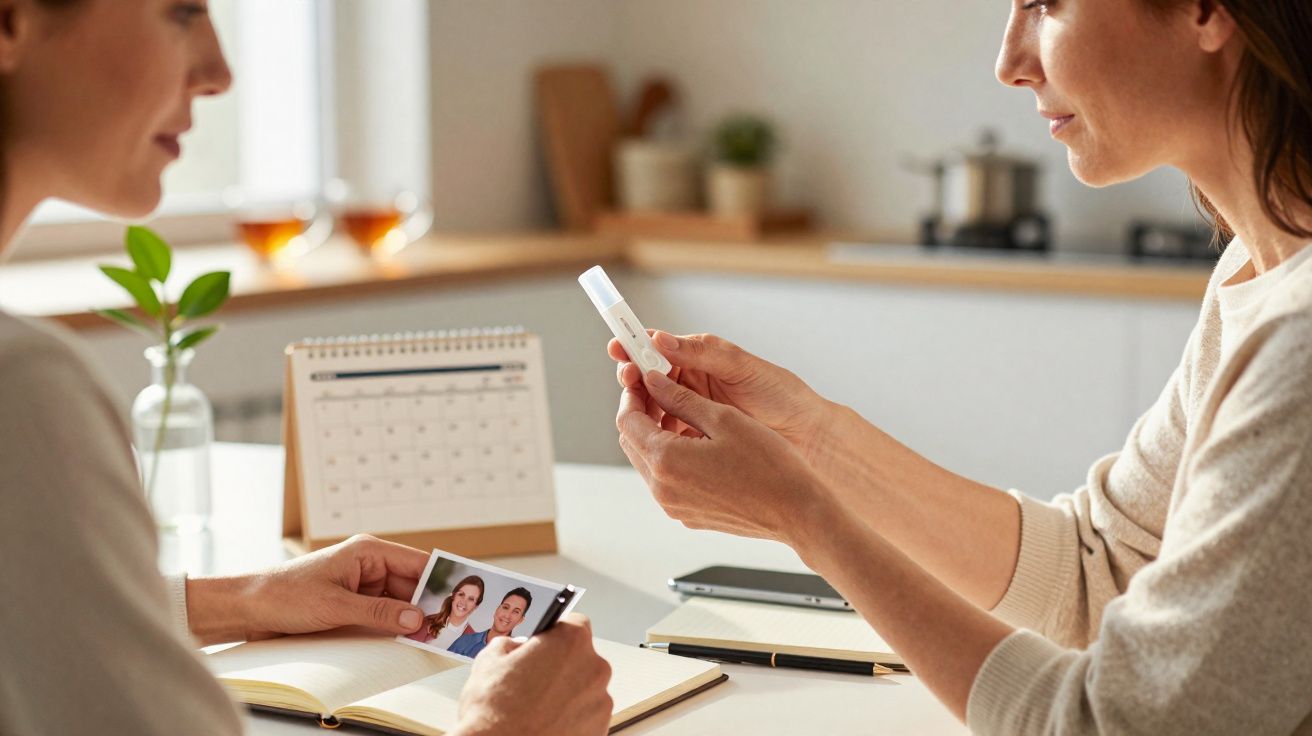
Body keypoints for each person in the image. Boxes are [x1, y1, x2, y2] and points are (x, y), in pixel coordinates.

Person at [611, 1, 1312, 734]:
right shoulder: (1254, 270)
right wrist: (812, 444)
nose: (1009, 63)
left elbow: (1111, 725)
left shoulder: (1299, 338)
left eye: (1045, 4)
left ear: (1206, 10)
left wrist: (804, 518)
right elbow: (1098, 567)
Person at [0, 2, 612, 735]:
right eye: (182, 11)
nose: (219, 73)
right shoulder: (22, 389)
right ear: (10, 21)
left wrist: (242, 600)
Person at [449, 588, 533, 659]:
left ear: (520, 620)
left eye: (516, 612)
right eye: (505, 607)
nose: (507, 615)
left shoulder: (516, 657)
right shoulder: (465, 641)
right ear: (497, 609)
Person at [407, 575, 485, 647]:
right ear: (453, 595)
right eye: (461, 594)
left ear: (476, 606)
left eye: (471, 599)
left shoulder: (473, 642)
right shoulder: (428, 622)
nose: (463, 602)